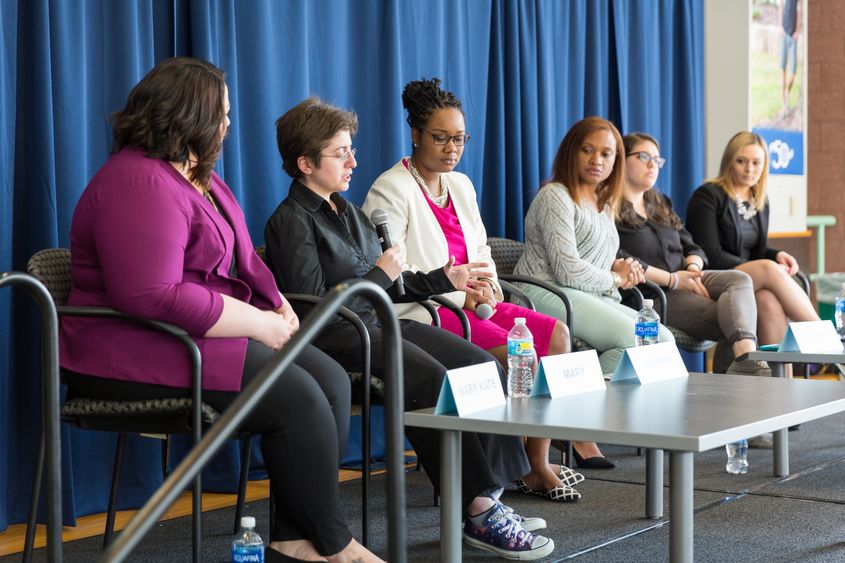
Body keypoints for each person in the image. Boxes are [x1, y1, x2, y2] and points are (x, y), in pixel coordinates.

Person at [59, 58, 378, 563]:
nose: (229, 124)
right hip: (131, 345)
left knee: (332, 379)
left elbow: (246, 257)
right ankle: (335, 545)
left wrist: (278, 306)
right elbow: (151, 295)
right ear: (189, 116)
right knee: (296, 397)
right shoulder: (137, 181)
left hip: (194, 331)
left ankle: (294, 540)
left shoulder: (198, 175)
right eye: (222, 114)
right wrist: (259, 323)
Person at [264, 98, 554, 560]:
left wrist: (446, 278)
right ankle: (477, 510)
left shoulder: (349, 212)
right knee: (434, 381)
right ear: (305, 163)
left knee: (478, 364)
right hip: (338, 336)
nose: (353, 161)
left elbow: (394, 283)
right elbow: (316, 305)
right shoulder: (290, 221)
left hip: (378, 323)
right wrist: (379, 275)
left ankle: (491, 495)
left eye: (351, 149)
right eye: (341, 153)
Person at [364, 77, 587, 495]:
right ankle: (509, 470)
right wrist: (460, 293)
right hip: (429, 311)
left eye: (460, 139)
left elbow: (480, 248)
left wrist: (488, 288)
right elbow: (396, 269)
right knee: (523, 353)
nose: (452, 148)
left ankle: (537, 463)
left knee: (556, 335)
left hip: (473, 302)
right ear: (415, 134)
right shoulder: (390, 189)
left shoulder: (461, 185)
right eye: (441, 138)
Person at [513, 117, 675, 466]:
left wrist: (621, 273)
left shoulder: (603, 205)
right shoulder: (555, 196)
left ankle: (573, 417)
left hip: (586, 295)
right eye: (588, 150)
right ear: (572, 152)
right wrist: (616, 279)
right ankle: (575, 423)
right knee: (634, 340)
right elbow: (567, 268)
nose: (596, 160)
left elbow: (596, 265)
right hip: (544, 292)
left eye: (606, 154)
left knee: (662, 340)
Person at [616, 132, 766, 376]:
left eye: (657, 159)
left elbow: (691, 245)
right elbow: (620, 258)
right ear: (621, 159)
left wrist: (693, 270)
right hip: (652, 293)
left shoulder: (660, 202)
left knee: (740, 280)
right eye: (644, 157)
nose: (653, 164)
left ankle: (743, 361)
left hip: (688, 277)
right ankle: (743, 368)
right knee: (734, 316)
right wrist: (674, 280)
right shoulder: (608, 208)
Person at [685, 131, 820, 350]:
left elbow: (756, 249)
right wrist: (763, 266)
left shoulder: (760, 201)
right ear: (729, 161)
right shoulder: (708, 195)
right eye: (742, 161)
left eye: (756, 163)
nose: (749, 169)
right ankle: (821, 338)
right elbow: (711, 253)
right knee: (767, 269)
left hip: (750, 279)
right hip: (713, 278)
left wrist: (776, 254)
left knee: (768, 301)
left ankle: (777, 381)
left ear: (764, 165)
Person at [780, 0, 801, 114]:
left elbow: (800, 10)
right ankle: (784, 104)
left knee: (792, 72)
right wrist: (780, 27)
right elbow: (781, 8)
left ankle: (787, 93)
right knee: (782, 69)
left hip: (793, 37)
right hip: (784, 35)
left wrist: (798, 30)